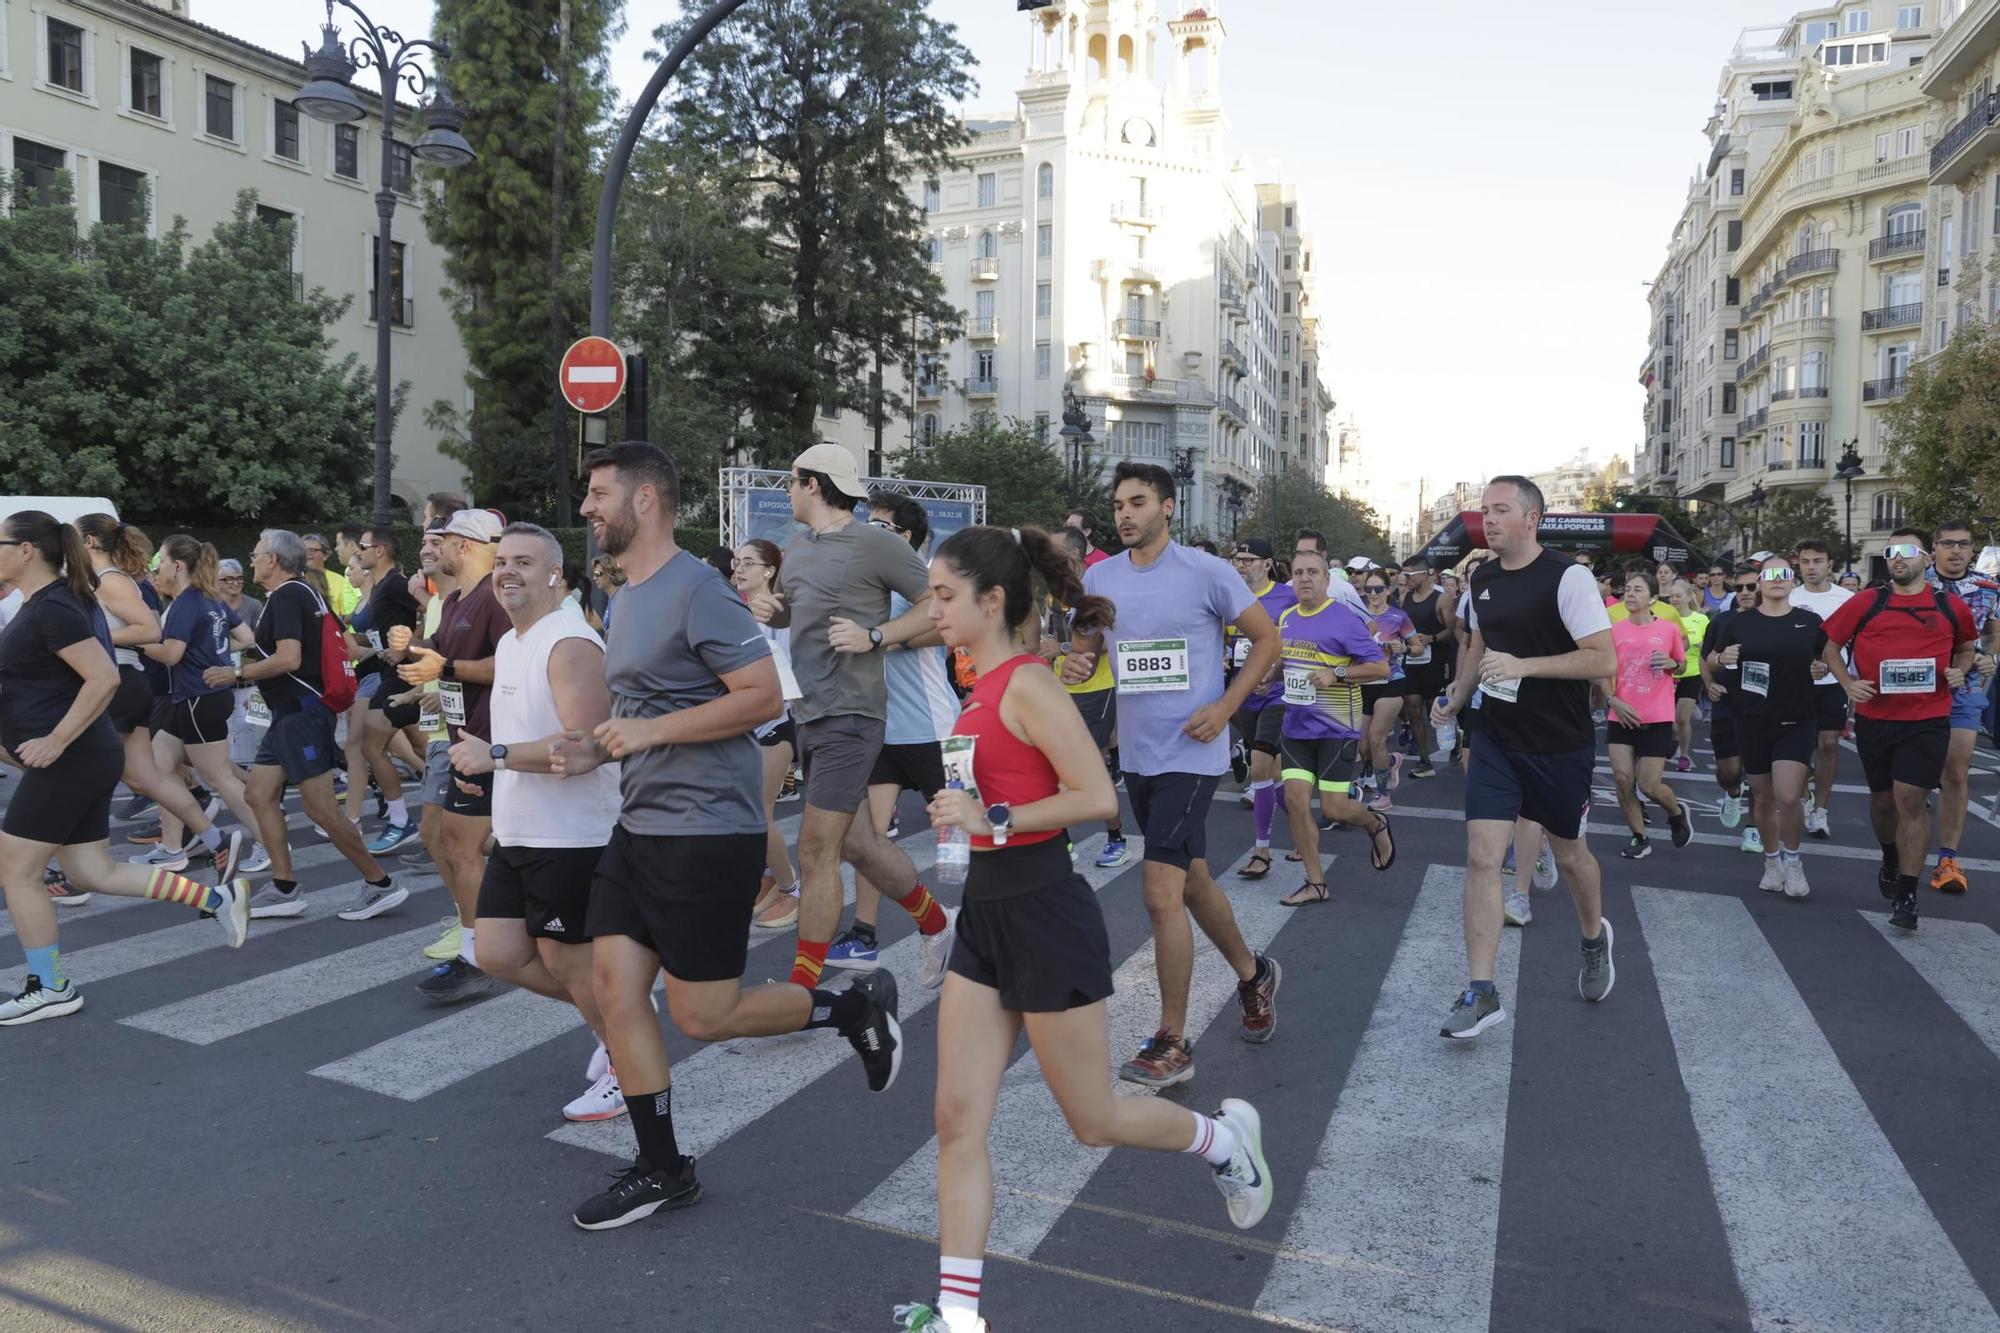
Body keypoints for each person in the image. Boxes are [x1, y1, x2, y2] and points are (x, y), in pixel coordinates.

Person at [890, 524, 1273, 1333]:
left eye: (946, 596)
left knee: (1093, 1117)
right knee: (956, 1118)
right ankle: (960, 1317)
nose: (934, 609)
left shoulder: (1028, 684)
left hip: (1043, 911)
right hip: (987, 917)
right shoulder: (974, 691)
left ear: (993, 602)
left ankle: (1223, 1140)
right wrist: (960, 823)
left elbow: (1096, 796)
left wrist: (989, 815)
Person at [557, 441, 900, 1230]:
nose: (587, 508)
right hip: (640, 826)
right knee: (615, 989)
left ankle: (846, 1008)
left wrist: (650, 735)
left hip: (706, 831)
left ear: (644, 500)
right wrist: (600, 740)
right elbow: (645, 708)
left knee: (702, 1015)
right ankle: (663, 1167)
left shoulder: (697, 589)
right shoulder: (625, 597)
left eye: (598, 493)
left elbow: (761, 695)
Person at [1063, 461, 1282, 1086]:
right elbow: (1083, 648)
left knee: (1159, 892)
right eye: (1118, 505)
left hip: (1193, 752)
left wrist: (1224, 708)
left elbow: (1266, 641)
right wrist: (1075, 664)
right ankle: (1253, 973)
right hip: (1140, 753)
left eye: (1137, 502)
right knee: (1192, 883)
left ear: (1168, 508)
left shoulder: (1206, 573)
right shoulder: (1100, 577)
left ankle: (1172, 1042)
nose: (1125, 514)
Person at [1, 512, 251, 1026]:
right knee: (93, 871)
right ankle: (215, 896)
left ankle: (49, 985)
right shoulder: (44, 603)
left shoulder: (54, 607)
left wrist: (55, 739)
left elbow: (103, 678)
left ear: (26, 550)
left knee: (15, 868)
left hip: (72, 756)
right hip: (86, 755)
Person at [742, 443, 954, 996]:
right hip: (808, 714)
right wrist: (772, 607)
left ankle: (801, 990)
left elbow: (938, 603)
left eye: (792, 479)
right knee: (859, 843)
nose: (786, 489)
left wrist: (876, 636)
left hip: (852, 715)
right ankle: (937, 922)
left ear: (814, 484)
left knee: (815, 848)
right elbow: (793, 610)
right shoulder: (799, 545)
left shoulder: (875, 543)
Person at [445, 523, 627, 1122]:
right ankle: (618, 1021)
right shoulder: (515, 641)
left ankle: (628, 1062)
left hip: (572, 834)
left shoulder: (569, 642)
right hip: (522, 829)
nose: (507, 572)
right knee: (497, 951)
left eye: (524, 562)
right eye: (500, 561)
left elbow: (585, 744)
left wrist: (494, 756)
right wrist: (493, 770)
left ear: (555, 573)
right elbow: (525, 732)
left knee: (567, 959)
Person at [1431, 476, 1615, 1040]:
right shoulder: (1482, 577)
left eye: (1500, 510)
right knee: (1484, 855)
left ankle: (1592, 938)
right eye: (1484, 510)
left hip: (1558, 745)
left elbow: (1602, 660)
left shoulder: (1569, 577)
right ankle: (1481, 991)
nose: (1486, 520)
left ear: (1531, 518)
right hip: (1498, 738)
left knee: (1572, 854)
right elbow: (1480, 644)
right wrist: (1460, 694)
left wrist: (1525, 666)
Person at [222, 530, 398, 923]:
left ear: (273, 560)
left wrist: (235, 673)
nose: (251, 561)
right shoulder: (305, 592)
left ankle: (381, 884)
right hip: (291, 712)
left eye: (255, 554)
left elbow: (288, 658)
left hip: (301, 713)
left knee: (321, 809)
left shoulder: (288, 596)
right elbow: (345, 646)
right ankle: (285, 888)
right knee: (258, 793)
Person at [828, 492, 961, 970]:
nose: (867, 531)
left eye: (879, 525)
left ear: (904, 537)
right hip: (881, 728)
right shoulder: (869, 580)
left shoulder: (923, 580)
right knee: (869, 840)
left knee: (973, 833)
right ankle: (865, 932)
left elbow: (947, 629)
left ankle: (1002, 919)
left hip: (935, 727)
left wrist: (883, 636)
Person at [1821, 530, 1978, 932]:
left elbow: (1966, 646)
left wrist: (1959, 670)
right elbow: (1829, 646)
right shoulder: (1866, 602)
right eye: (1891, 552)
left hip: (1928, 719)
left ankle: (1908, 893)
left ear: (1926, 558)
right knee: (1883, 804)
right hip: (1877, 718)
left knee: (1910, 798)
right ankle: (1890, 855)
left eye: (1907, 551)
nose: (1897, 558)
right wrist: (1848, 684)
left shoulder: (1950, 606)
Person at [391, 509, 512, 999]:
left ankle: (478, 953)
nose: (432, 549)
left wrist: (449, 667)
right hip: (466, 740)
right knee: (466, 842)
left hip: (489, 741)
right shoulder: (458, 598)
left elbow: (510, 664)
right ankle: (497, 936)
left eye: (441, 541)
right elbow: (439, 659)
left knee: (457, 843)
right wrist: (410, 646)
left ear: (465, 545)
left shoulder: (495, 598)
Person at [74, 515, 233, 875]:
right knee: (146, 778)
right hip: (127, 683)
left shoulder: (110, 581)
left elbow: (149, 630)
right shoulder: (101, 579)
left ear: (88, 541)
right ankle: (214, 840)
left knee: (81, 767)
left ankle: (78, 864)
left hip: (122, 682)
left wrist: (90, 639)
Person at [1272, 548, 1396, 906]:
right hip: (1295, 726)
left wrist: (1336, 673)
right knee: (1295, 801)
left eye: (1313, 572)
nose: (1305, 578)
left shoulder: (1344, 619)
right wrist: (1271, 675)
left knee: (1334, 810)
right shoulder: (1288, 617)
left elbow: (1380, 668)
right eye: (1298, 573)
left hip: (1336, 728)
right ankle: (1315, 882)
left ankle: (1374, 824)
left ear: (1327, 579)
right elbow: (1288, 658)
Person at [138, 535, 260, 882]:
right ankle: (172, 848)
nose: (155, 569)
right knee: (156, 767)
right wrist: (216, 654)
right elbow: (247, 638)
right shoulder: (211, 598)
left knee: (220, 777)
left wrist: (140, 642)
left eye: (159, 561)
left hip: (197, 698)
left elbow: (171, 655)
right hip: (196, 698)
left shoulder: (186, 602)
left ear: (177, 566)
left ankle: (269, 839)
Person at [1705, 554, 1824, 898]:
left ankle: (1794, 861)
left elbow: (1826, 659)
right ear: (1760, 581)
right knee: (1764, 796)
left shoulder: (1810, 621)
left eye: (1784, 573)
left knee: (1788, 796)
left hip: (1796, 717)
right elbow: (1712, 656)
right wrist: (1721, 659)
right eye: (1769, 574)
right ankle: (1772, 862)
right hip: (1751, 717)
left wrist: (1822, 670)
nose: (1777, 579)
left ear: (1792, 580)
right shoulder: (1738, 623)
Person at [730, 539, 804, 930]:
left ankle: (792, 890)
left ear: (769, 571)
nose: (739, 568)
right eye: (736, 561)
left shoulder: (781, 614)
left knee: (761, 813)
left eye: (748, 563)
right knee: (745, 812)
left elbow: (790, 674)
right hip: (744, 724)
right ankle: (770, 879)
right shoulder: (737, 610)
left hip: (778, 722)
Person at [1924, 519, 1999, 894]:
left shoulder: (1989, 589)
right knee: (1911, 778)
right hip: (1915, 690)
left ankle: (1948, 859)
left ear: (1972, 550)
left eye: (1964, 544)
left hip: (1964, 691)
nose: (1956, 551)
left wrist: (1990, 659)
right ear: (1934, 547)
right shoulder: (1912, 584)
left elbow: (1992, 635)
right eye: (1948, 543)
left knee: (1956, 770)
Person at [1603, 570, 1692, 860]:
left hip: (1656, 715)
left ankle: (1676, 813)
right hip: (1621, 713)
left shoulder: (1667, 629)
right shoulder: (1614, 630)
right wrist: (1612, 700)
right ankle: (1640, 836)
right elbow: (1603, 670)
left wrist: (1672, 663)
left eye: (1638, 590)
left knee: (1649, 785)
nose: (1630, 594)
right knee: (1621, 778)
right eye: (1628, 589)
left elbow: (1680, 665)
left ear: (1653, 597)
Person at [1224, 538, 1297, 881]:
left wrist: (1277, 666)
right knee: (1277, 775)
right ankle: (1302, 827)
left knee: (1259, 768)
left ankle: (1261, 852)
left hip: (1276, 693)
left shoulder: (1287, 596)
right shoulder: (1226, 596)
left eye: (1248, 559)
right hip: (1242, 694)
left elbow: (1299, 638)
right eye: (1237, 559)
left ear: (1267, 564)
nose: (1240, 565)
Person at [1789, 539, 1853, 840]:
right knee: (1801, 747)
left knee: (1828, 745)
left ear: (1829, 565)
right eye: (1805, 561)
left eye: (1817, 561)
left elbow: (1857, 641)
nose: (1811, 567)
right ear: (1798, 564)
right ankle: (1804, 800)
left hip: (1833, 683)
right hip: (1797, 684)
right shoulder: (1789, 596)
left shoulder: (1847, 598)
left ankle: (1821, 810)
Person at [1700, 563, 1762, 849]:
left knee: (1761, 775)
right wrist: (1709, 683)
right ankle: (1732, 792)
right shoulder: (1721, 621)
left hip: (1764, 707)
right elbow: (1705, 656)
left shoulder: (1777, 619)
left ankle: (1754, 831)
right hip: (1727, 702)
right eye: (1739, 588)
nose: (1745, 593)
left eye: (1751, 587)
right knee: (1729, 772)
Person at [1356, 570, 1418, 812]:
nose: (1372, 594)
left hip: (1391, 681)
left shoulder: (1398, 617)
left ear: (1388, 590)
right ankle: (1391, 761)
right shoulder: (1357, 616)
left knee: (1377, 738)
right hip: (1364, 682)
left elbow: (1418, 648)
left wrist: (1403, 647)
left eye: (1378, 589)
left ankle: (1383, 795)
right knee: (1363, 746)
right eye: (1368, 589)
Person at [1396, 556, 1455, 778]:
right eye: (1404, 575)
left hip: (1436, 661)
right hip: (1412, 661)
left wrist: (1432, 638)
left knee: (1436, 710)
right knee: (1413, 708)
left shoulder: (1441, 600)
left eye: (1409, 575)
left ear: (1424, 574)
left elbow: (1452, 631)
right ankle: (1424, 760)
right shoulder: (1405, 598)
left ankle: (1455, 741)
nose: (1405, 579)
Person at [1665, 580, 1708, 772]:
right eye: (1671, 596)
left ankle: (1684, 755)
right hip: (1669, 673)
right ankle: (1673, 738)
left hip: (1692, 673)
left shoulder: (1701, 620)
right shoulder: (1665, 618)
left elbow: (1710, 647)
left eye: (1677, 595)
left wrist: (1700, 647)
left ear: (1689, 596)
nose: (1674, 599)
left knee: (1682, 718)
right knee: (1669, 721)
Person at [303, 532, 362, 618]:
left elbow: (346, 613)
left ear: (325, 555)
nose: (307, 554)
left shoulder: (339, 580)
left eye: (312, 550)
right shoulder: (295, 579)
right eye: (304, 550)